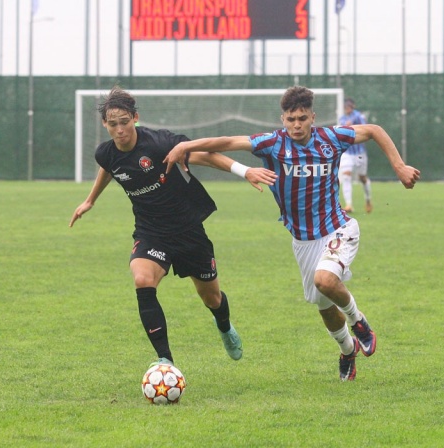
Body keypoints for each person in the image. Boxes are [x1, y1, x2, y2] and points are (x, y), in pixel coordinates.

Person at [164, 86, 420, 381]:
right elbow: (228, 141)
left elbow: (374, 130)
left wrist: (399, 166)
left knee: (325, 280)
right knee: (324, 307)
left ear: (313, 117)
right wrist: (186, 146)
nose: (296, 125)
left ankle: (359, 322)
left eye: (302, 118)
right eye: (291, 119)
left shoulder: (331, 138)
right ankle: (348, 350)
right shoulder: (272, 143)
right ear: (282, 119)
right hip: (303, 241)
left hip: (338, 227)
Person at [69, 86, 277, 369]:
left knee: (212, 298)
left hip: (188, 230)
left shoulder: (159, 144)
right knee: (142, 279)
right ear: (104, 123)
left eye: (125, 122)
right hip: (150, 232)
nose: (120, 130)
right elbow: (109, 167)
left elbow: (205, 155)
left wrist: (245, 170)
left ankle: (224, 326)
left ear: (135, 118)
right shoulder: (104, 153)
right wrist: (90, 200)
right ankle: (165, 360)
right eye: (113, 124)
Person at [338, 98, 372, 213]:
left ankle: (368, 199)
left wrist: (353, 126)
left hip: (359, 153)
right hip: (347, 152)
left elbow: (365, 129)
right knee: (346, 175)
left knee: (362, 177)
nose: (347, 108)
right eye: (345, 106)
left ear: (353, 106)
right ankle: (349, 205)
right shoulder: (342, 119)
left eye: (349, 106)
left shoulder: (359, 116)